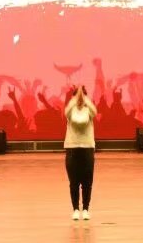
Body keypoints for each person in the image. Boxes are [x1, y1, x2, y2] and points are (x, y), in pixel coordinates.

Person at [64, 84, 98, 221]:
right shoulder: (70, 111)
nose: (80, 98)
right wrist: (75, 98)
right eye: (77, 96)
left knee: (87, 182)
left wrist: (84, 97)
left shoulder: (88, 111)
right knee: (74, 182)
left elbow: (94, 111)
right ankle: (75, 209)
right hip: (72, 148)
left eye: (82, 96)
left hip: (87, 148)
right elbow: (66, 111)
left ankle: (85, 209)